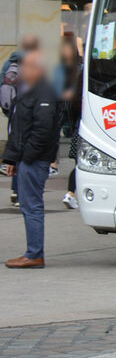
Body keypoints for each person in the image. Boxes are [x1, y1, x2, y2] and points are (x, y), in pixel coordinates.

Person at [3, 49, 59, 268]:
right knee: (28, 205)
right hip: (26, 158)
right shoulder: (29, 89)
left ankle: (34, 254)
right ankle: (33, 252)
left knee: (32, 206)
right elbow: (18, 128)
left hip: (34, 160)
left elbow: (43, 130)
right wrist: (12, 159)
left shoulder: (43, 91)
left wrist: (26, 158)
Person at [1, 34, 40, 206]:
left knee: (15, 148)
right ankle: (21, 191)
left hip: (12, 112)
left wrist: (7, 110)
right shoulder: (31, 64)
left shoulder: (8, 64)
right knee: (25, 152)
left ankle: (15, 191)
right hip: (27, 112)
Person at [54, 35, 83, 209]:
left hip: (77, 123)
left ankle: (71, 193)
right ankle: (71, 193)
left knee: (79, 161)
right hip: (80, 123)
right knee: (81, 162)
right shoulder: (77, 69)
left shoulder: (77, 69)